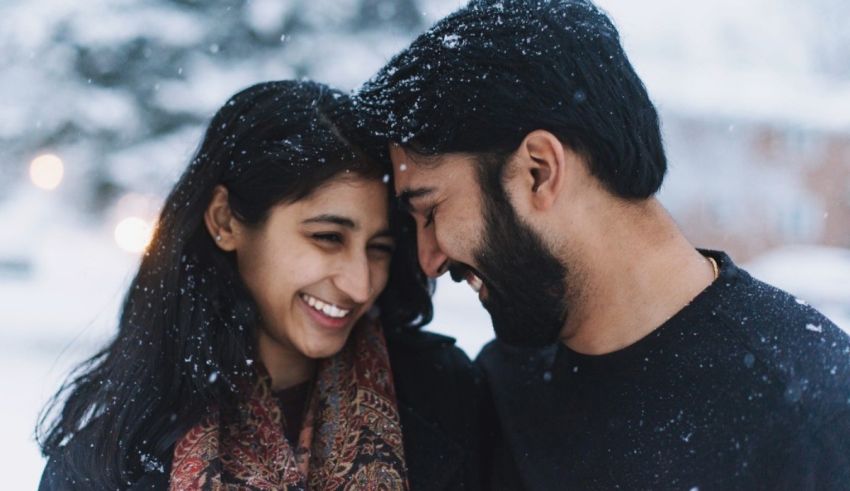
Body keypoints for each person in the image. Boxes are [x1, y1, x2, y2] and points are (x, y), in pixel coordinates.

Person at [356, 0, 850, 489]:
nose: (428, 259)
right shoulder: (503, 390)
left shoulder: (815, 408)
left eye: (431, 210)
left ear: (539, 171)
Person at [36, 80, 483, 490]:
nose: (359, 284)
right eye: (327, 238)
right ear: (225, 221)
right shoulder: (107, 458)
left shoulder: (444, 397)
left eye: (379, 248)